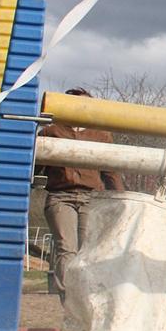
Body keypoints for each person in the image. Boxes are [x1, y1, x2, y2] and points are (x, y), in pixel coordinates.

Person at [35, 87, 125, 302]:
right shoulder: (52, 131)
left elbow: (109, 169)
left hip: (91, 198)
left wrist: (121, 199)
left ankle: (88, 298)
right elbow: (36, 165)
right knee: (67, 248)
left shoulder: (101, 135)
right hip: (60, 196)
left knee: (88, 249)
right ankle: (69, 299)